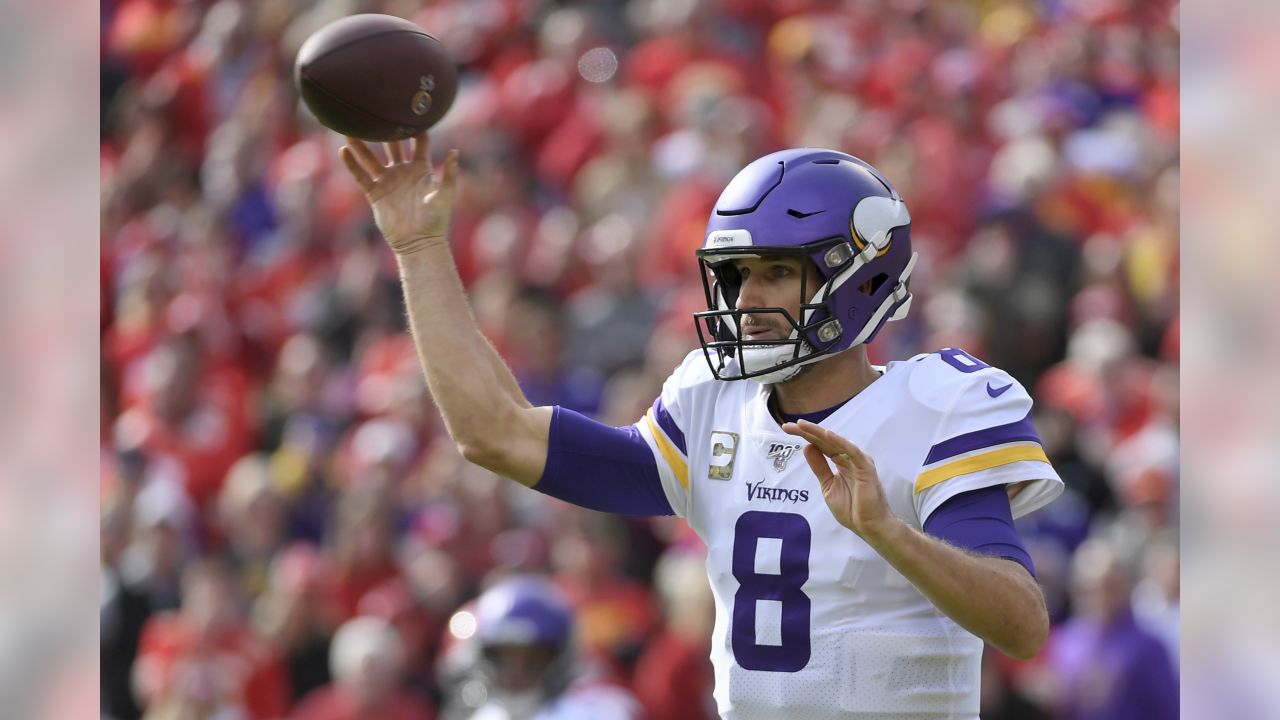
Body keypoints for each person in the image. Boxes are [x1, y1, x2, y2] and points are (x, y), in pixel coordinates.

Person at [339, 133, 1064, 719]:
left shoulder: (937, 406)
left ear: (861, 275)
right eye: (736, 274)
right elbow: (492, 433)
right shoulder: (713, 400)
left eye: (776, 272)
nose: (746, 298)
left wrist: (889, 534)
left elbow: (1022, 625)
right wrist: (418, 248)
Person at [437, 575, 642, 720]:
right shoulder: (485, 715)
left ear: (560, 657)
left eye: (532, 659)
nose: (515, 672)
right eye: (502, 657)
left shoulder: (597, 710)